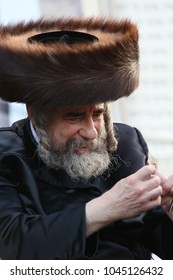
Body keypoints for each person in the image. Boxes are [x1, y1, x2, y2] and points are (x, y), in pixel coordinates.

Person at [0, 17, 173, 260]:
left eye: (98, 114)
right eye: (74, 117)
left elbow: (158, 237)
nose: (92, 132)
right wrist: (106, 208)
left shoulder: (126, 142)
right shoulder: (5, 153)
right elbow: (10, 248)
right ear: (35, 115)